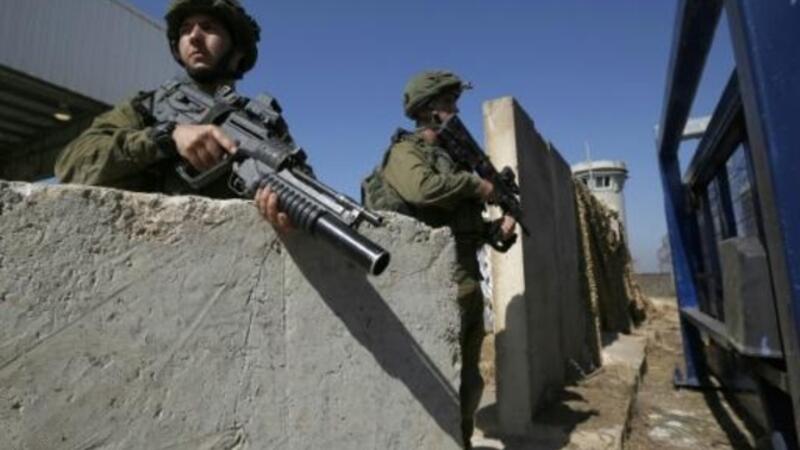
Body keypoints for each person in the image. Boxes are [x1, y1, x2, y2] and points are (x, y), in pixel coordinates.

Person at [361, 70, 517, 448]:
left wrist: (499, 228)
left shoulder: (454, 161)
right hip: (432, 282)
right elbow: (423, 190)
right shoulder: (405, 152)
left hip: (467, 281)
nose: (455, 110)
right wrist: (478, 186)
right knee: (440, 381)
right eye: (448, 103)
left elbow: (467, 228)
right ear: (428, 110)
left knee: (469, 382)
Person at [55, 0, 292, 232]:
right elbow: (71, 166)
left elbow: (297, 188)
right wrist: (164, 138)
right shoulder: (147, 108)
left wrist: (281, 212)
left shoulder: (264, 126)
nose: (194, 36)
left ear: (238, 48)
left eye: (208, 27)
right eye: (185, 30)